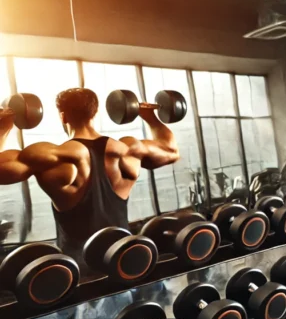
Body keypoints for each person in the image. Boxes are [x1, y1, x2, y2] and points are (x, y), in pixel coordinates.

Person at [0, 88, 179, 267]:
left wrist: (4, 126)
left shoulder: (51, 157)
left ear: (63, 117)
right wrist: (149, 116)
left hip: (78, 270)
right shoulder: (128, 150)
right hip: (123, 262)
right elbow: (170, 150)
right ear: (95, 112)